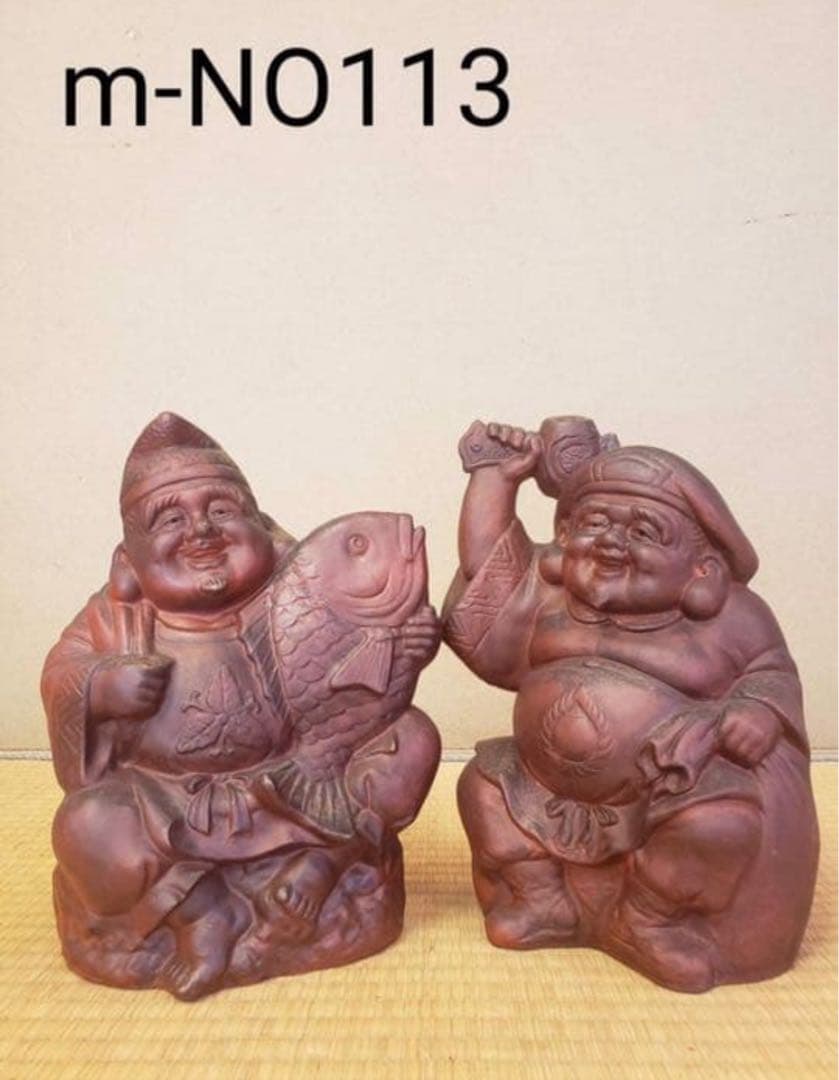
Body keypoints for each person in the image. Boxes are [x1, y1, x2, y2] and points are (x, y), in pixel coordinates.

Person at [43, 412, 440, 998]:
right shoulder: (113, 620)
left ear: (264, 527)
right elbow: (62, 673)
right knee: (87, 824)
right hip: (168, 801)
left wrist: (406, 647)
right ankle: (202, 911)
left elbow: (361, 682)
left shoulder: (297, 596)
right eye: (170, 519)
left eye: (222, 510)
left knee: (411, 738)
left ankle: (324, 863)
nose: (201, 529)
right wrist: (101, 689)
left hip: (297, 780)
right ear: (127, 560)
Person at [444, 419, 819, 991]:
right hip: (544, 786)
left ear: (703, 568)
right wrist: (494, 479)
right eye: (594, 524)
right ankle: (543, 897)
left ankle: (649, 918)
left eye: (644, 531)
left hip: (669, 790)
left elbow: (770, 673)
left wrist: (758, 710)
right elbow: (489, 575)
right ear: (564, 539)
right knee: (482, 786)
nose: (612, 542)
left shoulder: (732, 618)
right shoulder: (553, 601)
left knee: (720, 823)